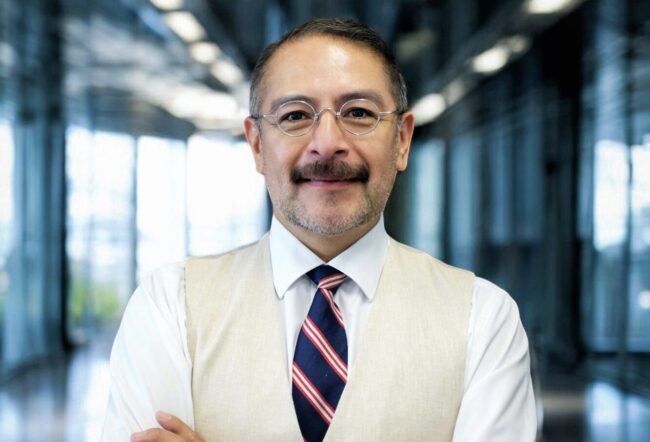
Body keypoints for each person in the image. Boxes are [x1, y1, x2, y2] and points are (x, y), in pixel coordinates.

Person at [102, 17, 536, 442]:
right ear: (256, 144)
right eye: (294, 115)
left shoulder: (483, 320)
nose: (327, 142)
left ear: (402, 140)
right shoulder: (171, 307)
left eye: (360, 113)